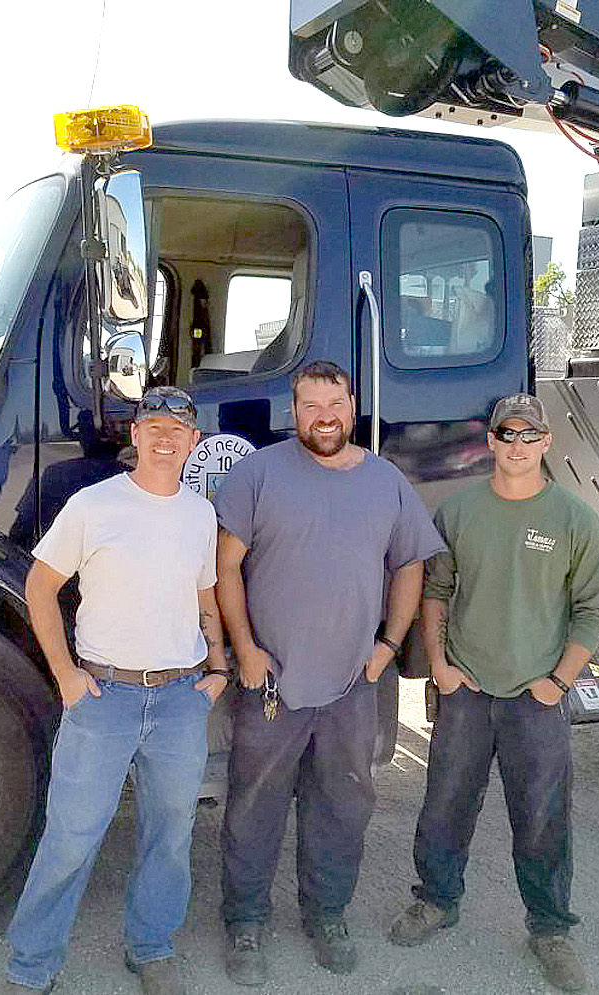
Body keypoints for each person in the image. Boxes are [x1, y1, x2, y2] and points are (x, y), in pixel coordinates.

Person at [212, 360, 444, 985]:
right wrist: (245, 648)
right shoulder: (258, 474)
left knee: (342, 805)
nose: (324, 418)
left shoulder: (385, 481)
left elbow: (410, 565)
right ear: (294, 412)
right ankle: (245, 922)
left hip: (351, 684)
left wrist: (388, 645)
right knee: (254, 805)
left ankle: (327, 915)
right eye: (310, 407)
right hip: (272, 682)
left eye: (334, 404)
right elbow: (225, 567)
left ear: (351, 406)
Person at [4, 386, 229, 995]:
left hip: (180, 700)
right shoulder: (93, 505)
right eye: (153, 428)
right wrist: (66, 675)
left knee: (170, 834)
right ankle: (31, 966)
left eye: (177, 431)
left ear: (194, 442)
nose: (165, 439)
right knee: (71, 837)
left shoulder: (200, 514)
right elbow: (40, 585)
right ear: (135, 436)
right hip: (104, 698)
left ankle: (152, 947)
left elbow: (205, 596)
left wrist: (217, 671)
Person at [387, 393, 599, 994]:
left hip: (536, 698)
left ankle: (550, 928)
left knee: (541, 816)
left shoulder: (574, 519)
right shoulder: (459, 512)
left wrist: (558, 682)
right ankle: (436, 900)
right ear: (490, 442)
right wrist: (439, 666)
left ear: (546, 443)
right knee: (446, 805)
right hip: (466, 690)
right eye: (506, 434)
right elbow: (435, 592)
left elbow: (591, 611)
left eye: (528, 435)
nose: (516, 445)